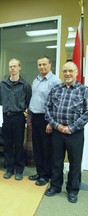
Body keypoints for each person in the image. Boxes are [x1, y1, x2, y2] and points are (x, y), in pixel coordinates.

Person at [44, 61, 88, 203]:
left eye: (70, 71)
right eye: (65, 71)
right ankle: (55, 186)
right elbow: (48, 109)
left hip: (75, 133)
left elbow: (87, 112)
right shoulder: (56, 89)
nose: (67, 74)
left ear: (76, 73)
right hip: (58, 131)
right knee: (56, 160)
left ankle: (73, 190)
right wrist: (57, 126)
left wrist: (71, 128)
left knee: (75, 163)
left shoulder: (84, 90)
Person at [0, 58, 32, 180]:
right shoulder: (2, 84)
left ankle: (19, 170)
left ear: (19, 67)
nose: (12, 68)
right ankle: (9, 169)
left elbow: (28, 102)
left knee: (19, 145)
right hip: (6, 117)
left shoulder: (25, 85)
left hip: (18, 117)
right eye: (10, 66)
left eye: (15, 66)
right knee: (8, 144)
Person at [28, 56, 61, 186]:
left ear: (50, 65)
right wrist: (30, 117)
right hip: (35, 117)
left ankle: (46, 175)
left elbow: (57, 104)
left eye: (44, 64)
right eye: (39, 65)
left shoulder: (55, 81)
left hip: (46, 119)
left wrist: (51, 122)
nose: (41, 67)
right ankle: (39, 172)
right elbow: (33, 100)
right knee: (37, 147)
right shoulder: (36, 80)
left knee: (47, 148)